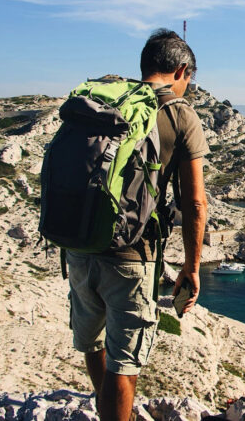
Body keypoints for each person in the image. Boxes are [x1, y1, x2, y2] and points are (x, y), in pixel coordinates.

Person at [66, 29, 209, 421]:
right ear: (181, 70)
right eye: (189, 82)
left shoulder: (102, 98)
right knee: (124, 364)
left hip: (78, 245)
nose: (188, 90)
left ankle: (110, 409)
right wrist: (191, 268)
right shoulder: (179, 114)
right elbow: (194, 202)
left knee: (93, 345)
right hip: (131, 255)